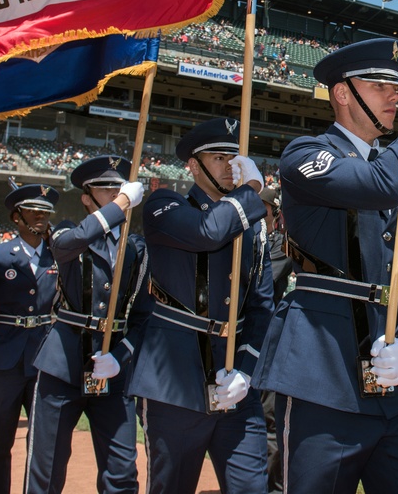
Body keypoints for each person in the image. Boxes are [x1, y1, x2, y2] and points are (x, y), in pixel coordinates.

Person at [253, 37, 398, 494]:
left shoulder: (394, 168)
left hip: (392, 383)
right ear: (342, 93)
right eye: (381, 84)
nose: (395, 95)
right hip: (322, 375)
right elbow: (380, 184)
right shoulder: (305, 155)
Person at [128, 117, 273, 494]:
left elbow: (260, 306)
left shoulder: (252, 226)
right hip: (175, 384)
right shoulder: (165, 204)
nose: (230, 166)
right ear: (193, 165)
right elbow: (207, 232)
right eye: (218, 157)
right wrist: (252, 189)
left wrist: (245, 370)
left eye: (234, 157)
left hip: (237, 391)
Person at [25, 156, 152, 494]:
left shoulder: (137, 247)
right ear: (86, 197)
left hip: (113, 371)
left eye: (120, 188)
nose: (116, 193)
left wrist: (122, 354)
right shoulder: (67, 231)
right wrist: (122, 204)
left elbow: (142, 316)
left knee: (122, 471)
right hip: (62, 365)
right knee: (46, 468)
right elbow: (68, 245)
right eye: (107, 188)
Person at [0, 183, 60, 494]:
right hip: (2, 361)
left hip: (45, 359)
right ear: (15, 217)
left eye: (45, 211)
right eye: (33, 210)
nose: (40, 216)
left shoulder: (60, 256)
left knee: (44, 446)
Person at [258, 185, 289, 494]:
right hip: (234, 344)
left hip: (266, 345)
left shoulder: (279, 244)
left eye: (262, 208)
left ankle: (273, 489)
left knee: (270, 422)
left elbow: (261, 284)